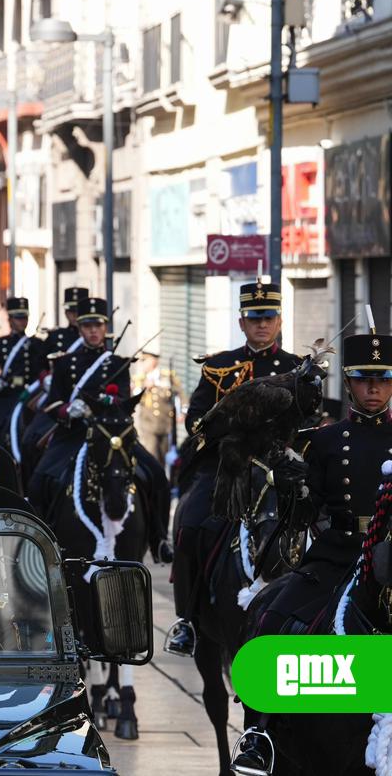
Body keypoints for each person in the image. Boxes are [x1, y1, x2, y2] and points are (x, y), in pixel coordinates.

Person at [229, 329, 392, 774]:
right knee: (272, 617)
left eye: (383, 378)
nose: (374, 388)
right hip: (337, 557)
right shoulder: (323, 441)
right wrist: (292, 488)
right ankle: (258, 734)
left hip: (390, 563)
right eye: (363, 379)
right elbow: (307, 512)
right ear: (348, 382)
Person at [165, 278, 303, 657]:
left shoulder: (297, 369)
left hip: (281, 473)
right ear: (242, 322)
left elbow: (311, 425)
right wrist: (230, 426)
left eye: (269, 317)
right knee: (190, 527)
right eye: (254, 318)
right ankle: (188, 621)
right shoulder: (219, 367)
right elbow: (196, 422)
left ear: (279, 321)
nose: (262, 324)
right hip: (227, 471)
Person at [27, 297, 131, 519]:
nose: (93, 331)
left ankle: (158, 539)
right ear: (80, 328)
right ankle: (41, 532)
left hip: (110, 435)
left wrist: (104, 404)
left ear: (105, 328)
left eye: (98, 325)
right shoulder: (65, 363)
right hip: (73, 433)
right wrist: (68, 410)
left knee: (154, 474)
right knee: (38, 482)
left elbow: (123, 402)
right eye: (87, 326)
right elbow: (53, 403)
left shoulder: (118, 363)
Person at [0, 297, 48, 456]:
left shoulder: (37, 344)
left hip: (29, 394)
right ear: (10, 319)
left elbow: (42, 369)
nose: (22, 321)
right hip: (6, 394)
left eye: (24, 317)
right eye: (18, 318)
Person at [132, 352, 181, 467]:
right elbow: (135, 396)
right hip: (148, 425)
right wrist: (144, 386)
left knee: (163, 456)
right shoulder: (140, 379)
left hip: (165, 424)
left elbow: (179, 394)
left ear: (154, 361)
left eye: (145, 361)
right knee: (152, 456)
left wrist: (181, 412)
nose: (143, 364)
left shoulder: (167, 375)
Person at [43, 287, 89, 356]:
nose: (75, 315)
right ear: (66, 313)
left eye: (78, 311)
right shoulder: (55, 336)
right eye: (71, 311)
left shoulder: (93, 336)